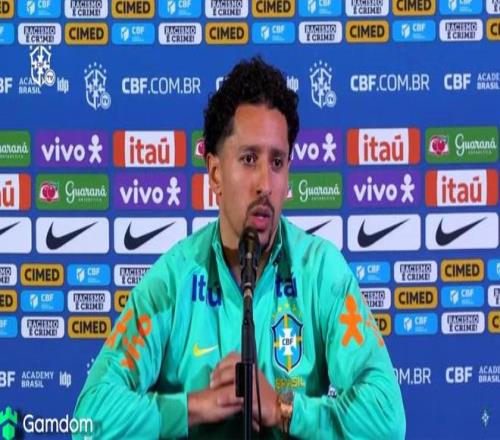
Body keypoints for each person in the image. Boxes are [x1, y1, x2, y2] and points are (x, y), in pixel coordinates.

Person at [74, 57, 405, 439]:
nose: (265, 183)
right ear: (215, 173)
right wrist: (197, 406)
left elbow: (388, 420)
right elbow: (89, 421)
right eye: (249, 159)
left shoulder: (321, 272)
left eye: (277, 162)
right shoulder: (172, 282)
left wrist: (283, 409)